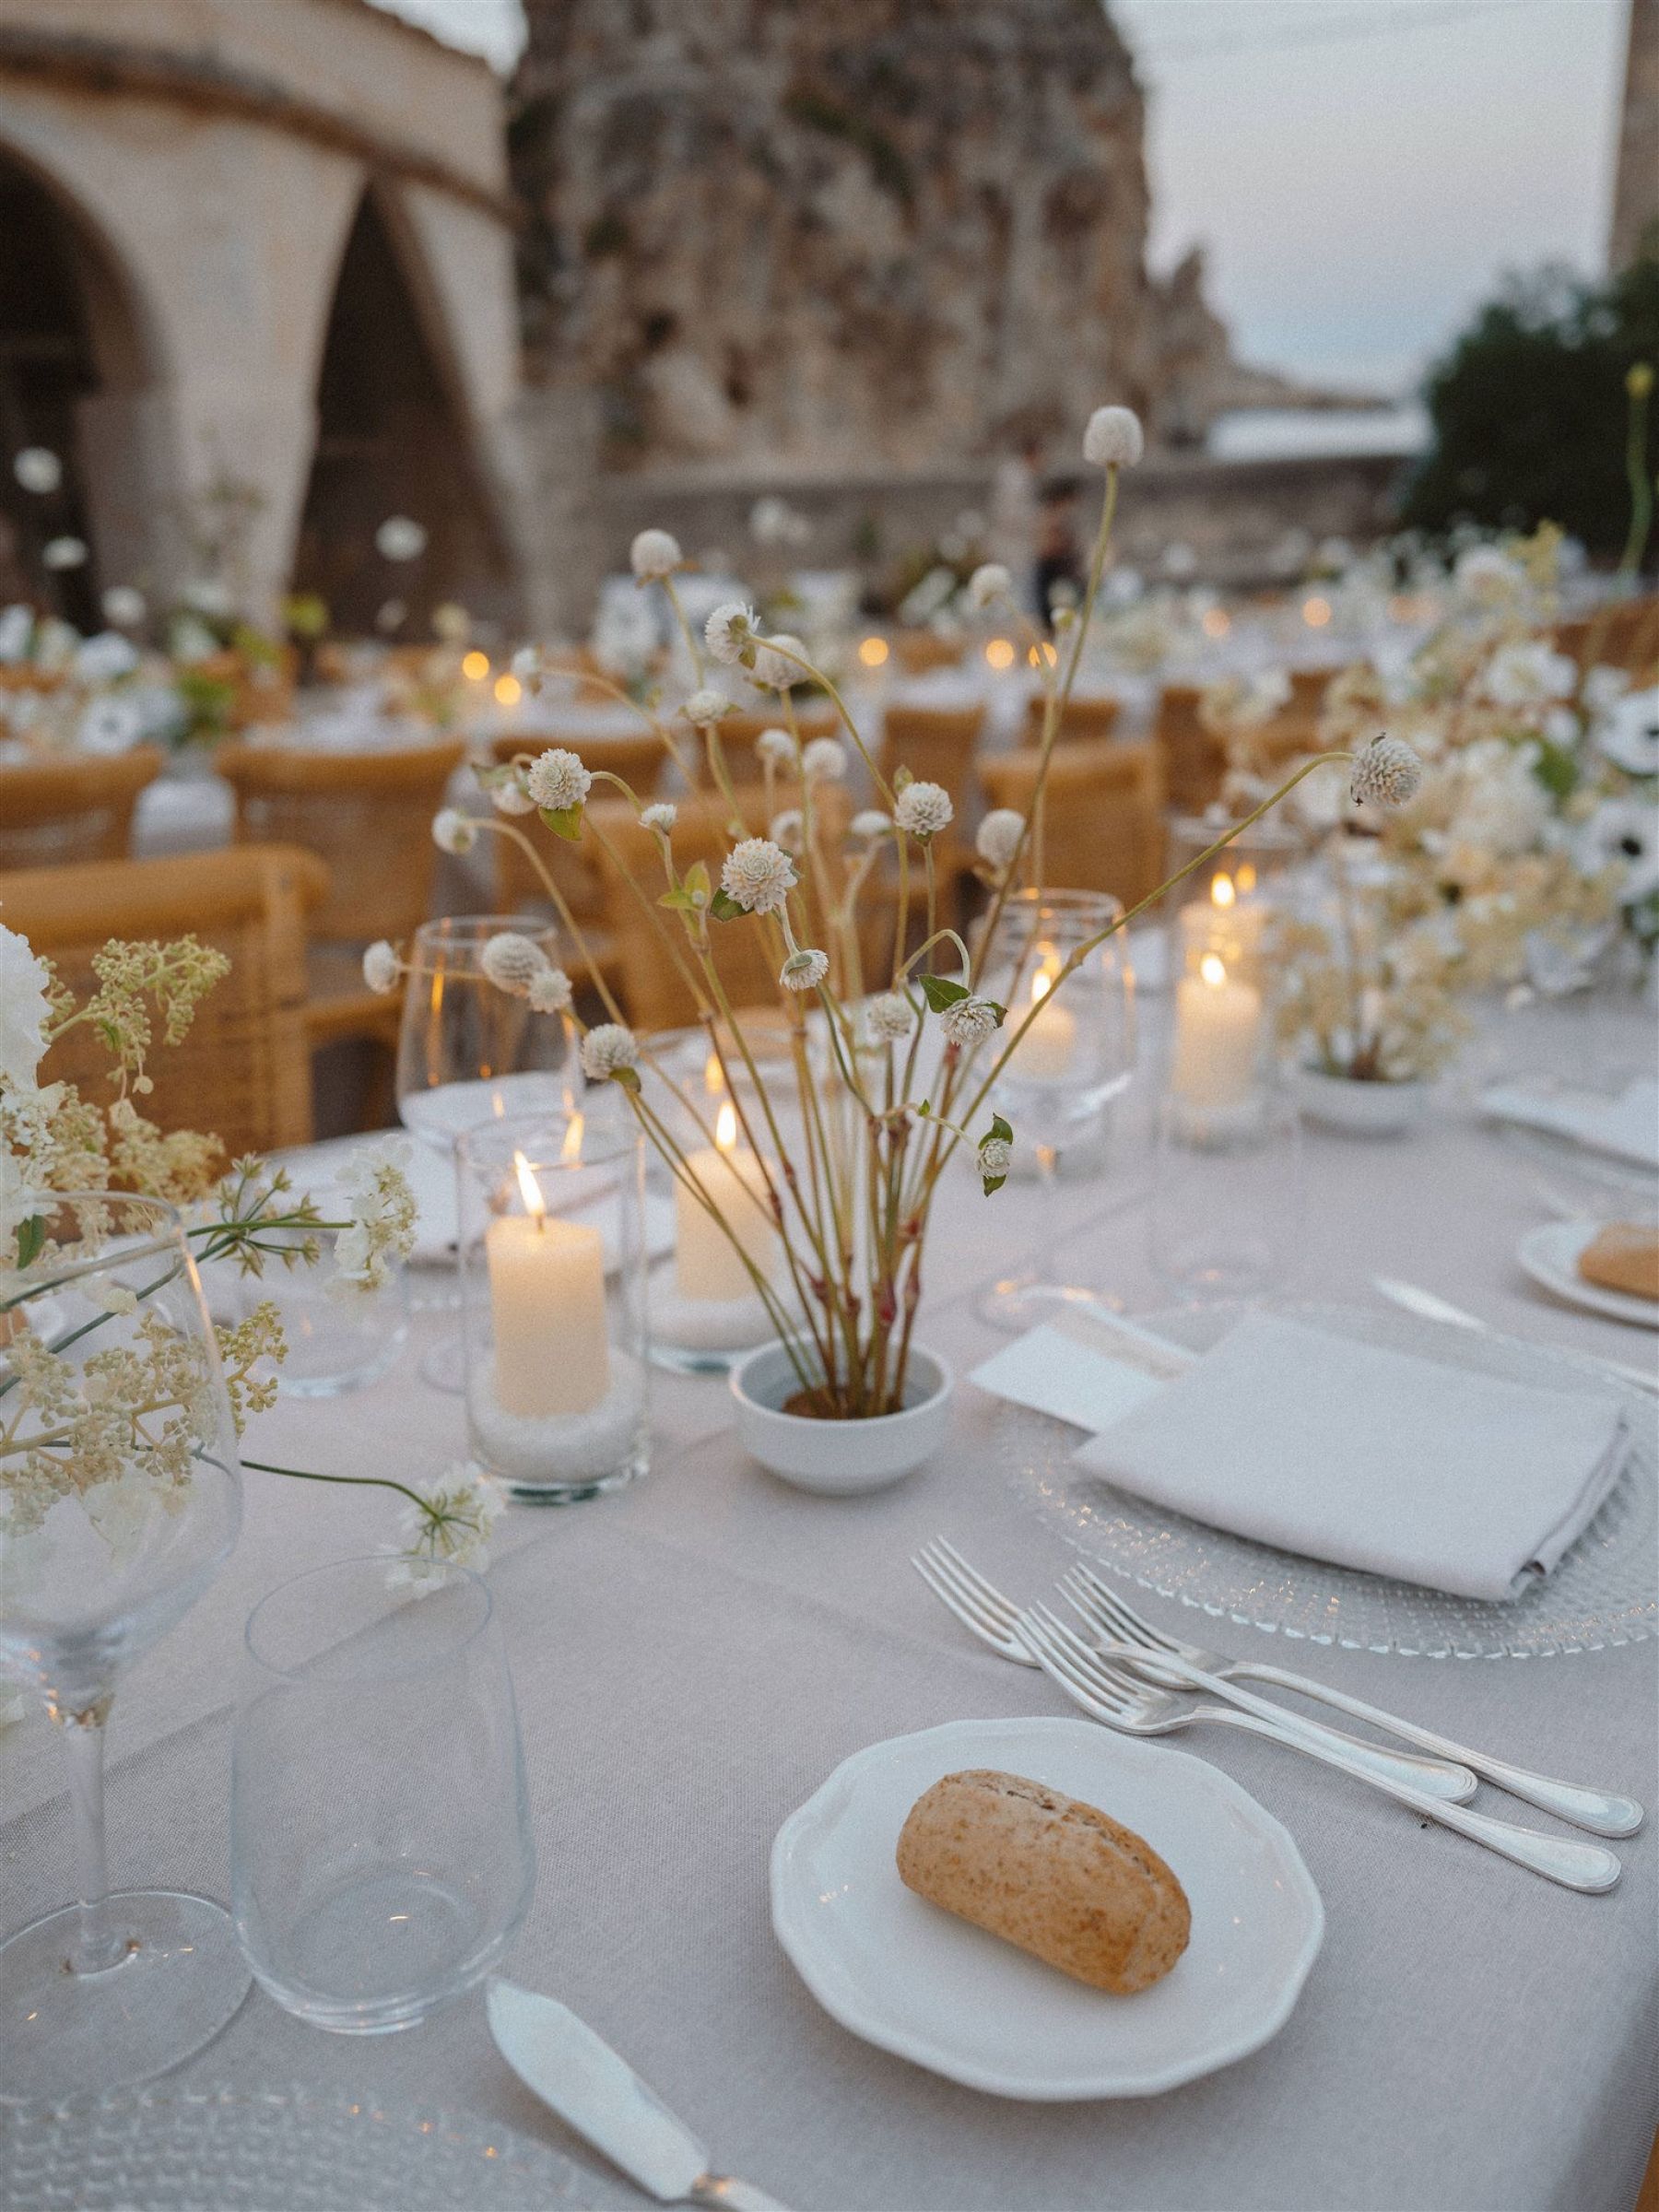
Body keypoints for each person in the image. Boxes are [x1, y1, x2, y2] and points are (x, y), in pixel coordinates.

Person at [987, 435, 1042, 613]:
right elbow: (1009, 514)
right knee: (1014, 593)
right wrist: (1038, 521)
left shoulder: (1021, 476)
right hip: (1012, 545)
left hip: (1020, 545)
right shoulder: (1015, 478)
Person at [1033, 477, 1085, 623]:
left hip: (1062, 568)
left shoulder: (1061, 518)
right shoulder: (1051, 518)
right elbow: (1047, 546)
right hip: (1053, 568)